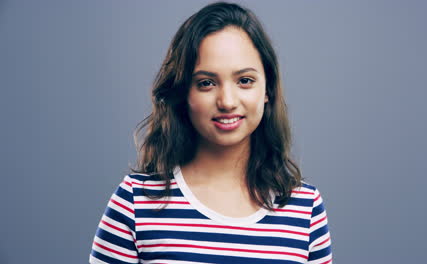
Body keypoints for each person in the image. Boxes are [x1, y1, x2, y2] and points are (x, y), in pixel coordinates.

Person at [89, 2, 332, 263]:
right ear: (184, 93)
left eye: (245, 81)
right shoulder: (136, 202)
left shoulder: (305, 208)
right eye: (206, 83)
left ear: (267, 90)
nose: (227, 101)